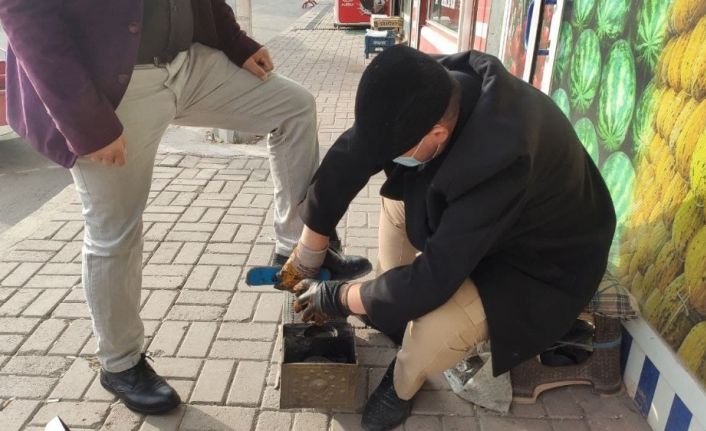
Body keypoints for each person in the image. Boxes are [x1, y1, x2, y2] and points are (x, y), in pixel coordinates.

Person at [0, 0, 370, 414]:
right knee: (114, 232)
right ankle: (120, 364)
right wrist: (85, 120)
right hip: (113, 86)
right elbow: (24, 12)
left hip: (187, 64)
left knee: (294, 108)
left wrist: (236, 41)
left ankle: (293, 251)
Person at [278, 45, 616, 430]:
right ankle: (391, 309)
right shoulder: (430, 86)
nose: (385, 158)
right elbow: (352, 153)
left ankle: (402, 384)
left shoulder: (501, 158)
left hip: (539, 260)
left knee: (432, 331)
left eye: (393, 152)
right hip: (495, 217)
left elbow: (435, 278)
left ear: (438, 134)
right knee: (396, 206)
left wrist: (340, 297)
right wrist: (310, 250)